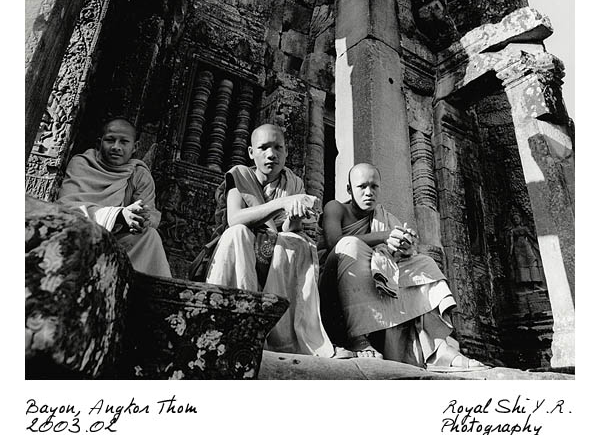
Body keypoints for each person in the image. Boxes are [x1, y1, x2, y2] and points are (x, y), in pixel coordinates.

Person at [189, 123, 340, 357]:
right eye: (263, 148)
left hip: (273, 251)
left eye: (278, 147)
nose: (272, 154)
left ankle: (282, 337)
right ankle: (237, 319)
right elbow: (234, 218)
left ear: (286, 152)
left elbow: (289, 229)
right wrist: (281, 204)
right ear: (251, 153)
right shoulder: (241, 176)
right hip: (241, 248)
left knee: (298, 242)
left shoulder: (293, 183)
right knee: (237, 233)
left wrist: (296, 217)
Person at [320, 162, 487, 370]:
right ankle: (358, 338)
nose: (369, 192)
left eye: (374, 186)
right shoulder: (335, 208)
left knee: (424, 262)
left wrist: (404, 247)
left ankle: (438, 346)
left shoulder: (385, 218)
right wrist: (384, 236)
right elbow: (334, 242)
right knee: (350, 244)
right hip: (332, 286)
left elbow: (393, 258)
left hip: (371, 281)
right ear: (349, 189)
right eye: (362, 186)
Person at [57, 117, 172, 278]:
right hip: (79, 236)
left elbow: (148, 214)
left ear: (135, 147)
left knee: (150, 236)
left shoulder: (138, 174)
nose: (116, 147)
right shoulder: (82, 163)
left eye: (124, 142)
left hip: (116, 242)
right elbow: (66, 207)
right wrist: (117, 215)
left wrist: (140, 218)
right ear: (99, 142)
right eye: (110, 140)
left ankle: (140, 293)